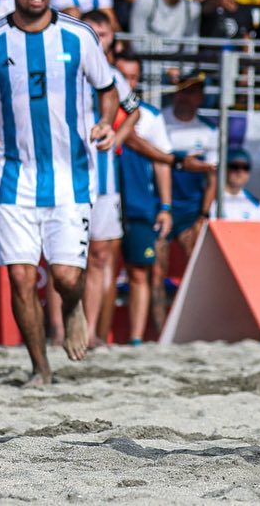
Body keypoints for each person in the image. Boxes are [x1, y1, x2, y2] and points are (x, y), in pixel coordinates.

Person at [0, 0, 117, 384]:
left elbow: (109, 88)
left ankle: (74, 305)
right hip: (12, 176)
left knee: (64, 276)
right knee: (22, 278)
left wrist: (104, 120)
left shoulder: (79, 36)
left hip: (71, 176)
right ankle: (40, 369)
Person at [45, 10, 140, 348]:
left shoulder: (113, 75)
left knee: (101, 256)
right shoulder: (58, 67)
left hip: (103, 180)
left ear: (113, 39)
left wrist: (118, 135)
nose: (99, 39)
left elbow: (133, 110)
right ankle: (58, 330)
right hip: (64, 174)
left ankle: (94, 334)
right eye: (93, 33)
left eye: (105, 34)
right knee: (61, 258)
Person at [111, 52, 174, 344]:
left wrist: (165, 206)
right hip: (104, 198)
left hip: (138, 203)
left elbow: (163, 163)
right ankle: (93, 337)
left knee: (141, 273)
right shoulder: (93, 108)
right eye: (123, 76)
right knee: (101, 268)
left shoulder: (150, 115)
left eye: (134, 77)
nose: (128, 82)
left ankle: (136, 340)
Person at [162, 70, 218, 268]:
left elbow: (213, 178)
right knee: (156, 271)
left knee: (195, 267)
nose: (186, 96)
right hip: (161, 206)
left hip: (191, 210)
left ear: (201, 97)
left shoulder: (209, 130)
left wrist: (203, 215)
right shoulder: (160, 122)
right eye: (183, 90)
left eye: (193, 91)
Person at [210, 148, 260, 220]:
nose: (240, 172)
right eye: (235, 166)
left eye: (245, 167)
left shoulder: (256, 205)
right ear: (224, 169)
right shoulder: (210, 201)